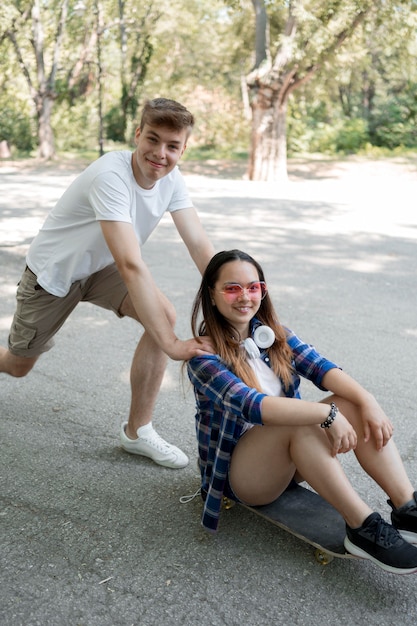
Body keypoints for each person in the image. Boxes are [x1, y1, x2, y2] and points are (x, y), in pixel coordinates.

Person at [0, 97, 215, 469]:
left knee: (162, 314)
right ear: (137, 135)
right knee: (19, 366)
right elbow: (131, 263)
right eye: (153, 139)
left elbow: (199, 244)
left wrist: (231, 294)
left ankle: (137, 432)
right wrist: (172, 344)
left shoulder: (171, 180)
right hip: (55, 274)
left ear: (183, 148)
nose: (160, 153)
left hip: (101, 267)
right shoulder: (110, 175)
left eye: (172, 145)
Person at [187, 249, 417, 574]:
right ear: (211, 294)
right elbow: (254, 407)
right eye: (232, 288)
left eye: (253, 287)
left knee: (348, 401)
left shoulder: (272, 333)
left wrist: (368, 400)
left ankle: (407, 509)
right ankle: (362, 527)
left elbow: (322, 368)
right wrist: (327, 416)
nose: (245, 297)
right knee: (300, 419)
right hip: (243, 477)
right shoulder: (202, 357)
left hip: (290, 459)